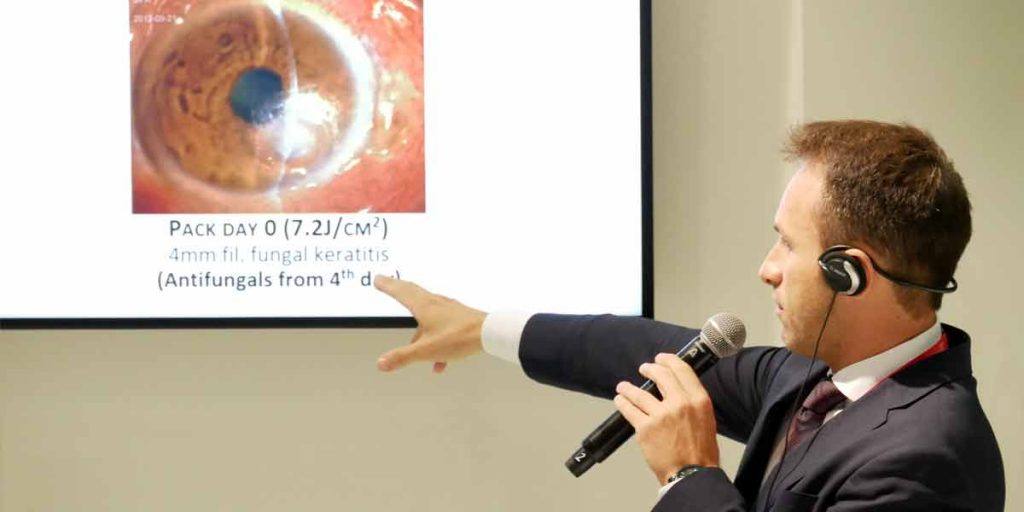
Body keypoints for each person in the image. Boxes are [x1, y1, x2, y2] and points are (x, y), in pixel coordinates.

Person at [372, 120, 1005, 511]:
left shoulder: (928, 459)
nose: (767, 268)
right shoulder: (820, 377)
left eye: (788, 245)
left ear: (850, 273)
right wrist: (480, 328)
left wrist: (689, 475)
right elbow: (640, 350)